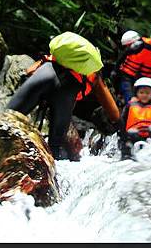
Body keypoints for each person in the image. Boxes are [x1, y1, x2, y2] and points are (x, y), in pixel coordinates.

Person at [7, 32, 119, 160]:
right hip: (67, 92)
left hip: (45, 74)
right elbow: (113, 112)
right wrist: (119, 124)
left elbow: (29, 71)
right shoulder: (94, 75)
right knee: (54, 148)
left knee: (8, 117)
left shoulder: (58, 56)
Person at [118, 77, 151, 159]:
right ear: (136, 93)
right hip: (136, 135)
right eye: (141, 92)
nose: (144, 95)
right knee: (131, 132)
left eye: (147, 93)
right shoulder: (130, 105)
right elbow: (123, 122)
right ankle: (127, 156)